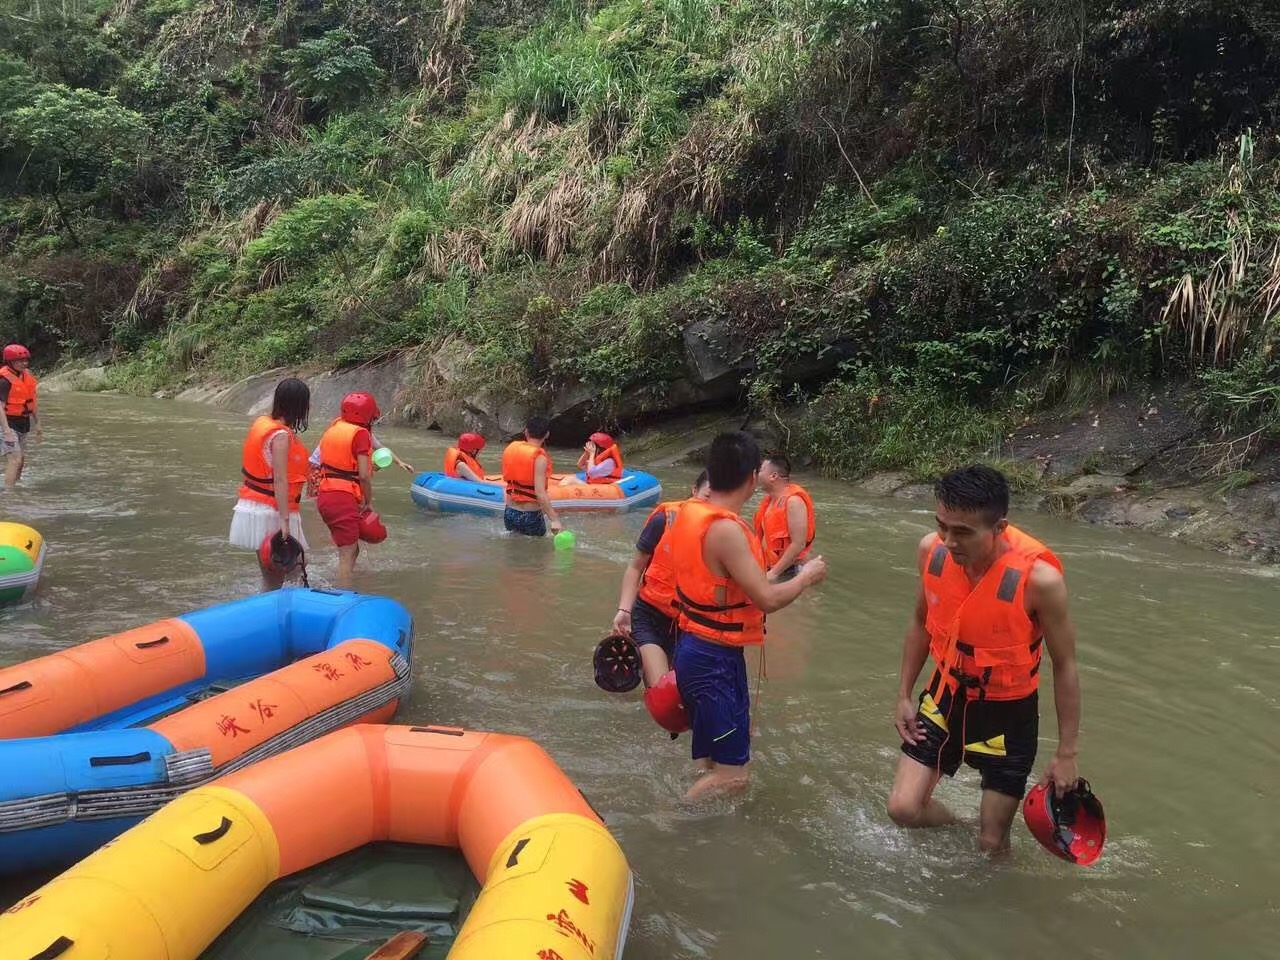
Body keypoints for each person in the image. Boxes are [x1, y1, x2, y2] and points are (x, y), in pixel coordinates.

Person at [887, 464, 1082, 854]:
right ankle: (957, 826)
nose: (949, 541)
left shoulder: (1040, 580)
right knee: (903, 809)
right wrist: (904, 694)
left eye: (962, 532)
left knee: (992, 843)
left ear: (999, 527)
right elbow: (921, 623)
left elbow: (1065, 666)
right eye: (942, 526)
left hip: (1007, 712)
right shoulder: (931, 552)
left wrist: (1066, 753)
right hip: (945, 696)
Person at [669, 432, 827, 801]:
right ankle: (669, 821)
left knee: (708, 761)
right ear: (753, 476)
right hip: (714, 660)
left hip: (695, 647)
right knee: (734, 777)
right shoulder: (725, 530)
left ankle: (699, 819)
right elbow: (767, 599)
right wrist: (806, 577)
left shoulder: (690, 512)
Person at [612, 471, 711, 689]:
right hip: (650, 615)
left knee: (685, 695)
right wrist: (624, 610)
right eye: (707, 496)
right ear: (694, 490)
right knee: (662, 691)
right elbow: (636, 567)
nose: (710, 505)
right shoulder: (664, 520)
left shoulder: (723, 533)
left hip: (690, 625)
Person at [229, 378, 311, 590]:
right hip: (272, 511)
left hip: (253, 506)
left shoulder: (263, 423)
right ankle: (288, 608)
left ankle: (270, 604)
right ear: (300, 406)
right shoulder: (281, 436)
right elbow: (280, 479)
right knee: (296, 567)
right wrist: (285, 521)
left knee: (272, 576)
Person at [314, 392, 384, 589]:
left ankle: (346, 582)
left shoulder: (335, 428)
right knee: (348, 551)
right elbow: (364, 476)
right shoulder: (360, 435)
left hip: (326, 494)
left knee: (352, 549)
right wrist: (368, 501)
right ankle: (343, 593)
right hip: (342, 497)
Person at [753, 454, 816, 582]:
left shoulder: (794, 501)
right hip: (774, 567)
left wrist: (773, 573)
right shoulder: (769, 502)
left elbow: (798, 544)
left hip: (793, 570)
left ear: (773, 476)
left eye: (761, 470)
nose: (757, 474)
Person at [501, 415, 562, 537]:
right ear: (547, 434)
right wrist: (555, 520)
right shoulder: (540, 458)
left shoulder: (511, 448)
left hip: (510, 512)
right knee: (538, 548)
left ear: (526, 432)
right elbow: (540, 492)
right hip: (530, 515)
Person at [1, 344, 41, 491]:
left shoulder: (26, 377)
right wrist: (6, 431)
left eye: (26, 360)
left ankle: (15, 486)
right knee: (15, 460)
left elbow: (32, 402)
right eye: (20, 361)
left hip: (23, 423)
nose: (24, 363)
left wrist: (38, 423)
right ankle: (9, 495)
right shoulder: (4, 381)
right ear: (10, 362)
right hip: (7, 423)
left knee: (21, 460)